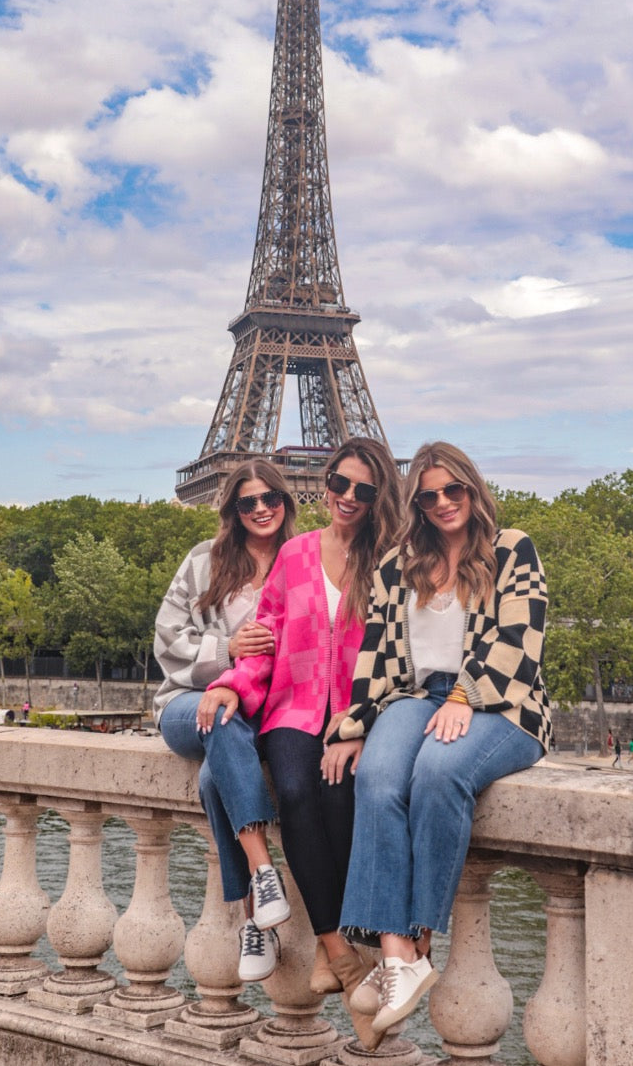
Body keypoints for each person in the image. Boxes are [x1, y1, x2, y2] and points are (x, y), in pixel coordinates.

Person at [322, 441, 551, 1037]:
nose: (444, 502)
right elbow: (376, 655)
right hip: (415, 697)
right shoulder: (397, 563)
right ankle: (396, 952)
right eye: (429, 495)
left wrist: (464, 697)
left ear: (474, 489)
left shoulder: (511, 548)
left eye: (454, 490)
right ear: (415, 504)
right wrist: (355, 725)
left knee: (439, 773)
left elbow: (522, 642)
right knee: (374, 776)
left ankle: (420, 943)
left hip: (503, 703)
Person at [203, 438, 401, 1049]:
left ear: (379, 498)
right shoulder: (293, 553)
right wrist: (234, 685)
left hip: (351, 715)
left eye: (363, 491)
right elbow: (264, 639)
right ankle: (339, 950)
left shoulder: (393, 561)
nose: (346, 498)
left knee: (337, 790)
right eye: (339, 484)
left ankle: (336, 951)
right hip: (291, 706)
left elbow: (402, 656)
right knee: (291, 787)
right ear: (325, 482)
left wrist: (364, 725)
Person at [153, 460, 297, 981]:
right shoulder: (203, 562)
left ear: (287, 501)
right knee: (219, 717)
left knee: (218, 774)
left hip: (258, 711)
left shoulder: (302, 563)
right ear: (233, 510)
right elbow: (166, 639)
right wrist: (228, 652)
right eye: (247, 502)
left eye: (270, 499)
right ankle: (263, 870)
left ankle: (255, 921)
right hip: (189, 705)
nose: (261, 509)